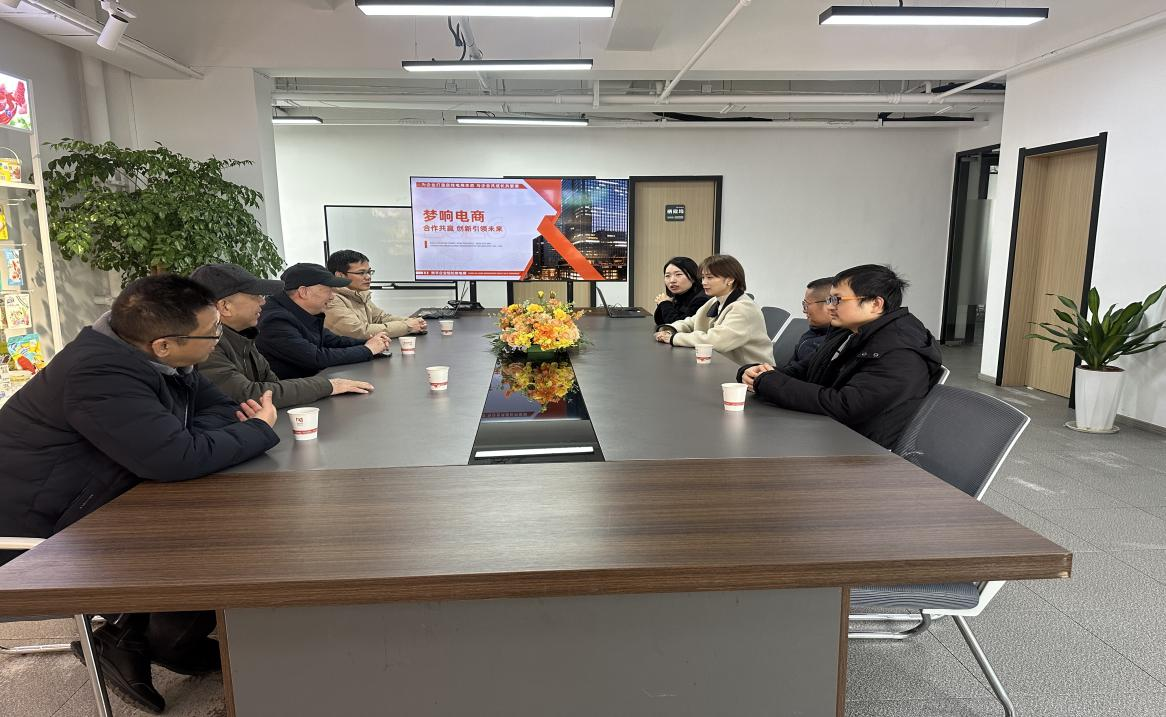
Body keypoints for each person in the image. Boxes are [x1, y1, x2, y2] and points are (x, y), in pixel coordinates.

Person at [0, 274, 281, 713]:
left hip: (100, 499)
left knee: (221, 513)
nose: (217, 340)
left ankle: (145, 636)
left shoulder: (153, 354)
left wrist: (195, 437)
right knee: (217, 534)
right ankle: (149, 639)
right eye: (212, 333)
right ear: (164, 345)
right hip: (40, 534)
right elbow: (176, 459)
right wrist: (259, 429)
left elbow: (217, 409)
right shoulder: (98, 374)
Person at [739, 264, 943, 450]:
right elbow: (808, 369)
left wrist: (770, 382)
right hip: (827, 431)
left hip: (859, 452)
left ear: (875, 304)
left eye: (837, 300)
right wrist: (758, 373)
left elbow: (846, 406)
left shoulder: (900, 352)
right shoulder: (851, 331)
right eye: (830, 299)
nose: (829, 306)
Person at [191, 263, 376, 408]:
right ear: (225, 307)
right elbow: (248, 394)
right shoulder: (204, 347)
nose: (263, 302)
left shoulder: (244, 336)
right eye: (256, 296)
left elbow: (272, 384)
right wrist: (328, 385)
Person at [256, 263, 392, 380]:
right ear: (303, 292)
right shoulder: (275, 321)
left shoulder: (299, 311)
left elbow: (332, 341)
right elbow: (316, 358)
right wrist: (367, 350)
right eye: (328, 290)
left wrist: (369, 342)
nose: (332, 297)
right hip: (289, 398)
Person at [653, 254, 774, 366]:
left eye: (710, 277)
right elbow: (691, 322)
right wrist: (670, 329)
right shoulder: (716, 300)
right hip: (726, 365)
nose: (704, 282)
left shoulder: (743, 308)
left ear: (730, 279)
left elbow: (716, 340)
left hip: (752, 372)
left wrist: (674, 338)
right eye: (703, 277)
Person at [324, 249, 427, 339]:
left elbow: (380, 318)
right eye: (361, 273)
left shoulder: (359, 295)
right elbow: (360, 332)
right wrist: (407, 326)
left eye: (369, 272)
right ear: (340, 275)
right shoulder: (331, 299)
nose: (368, 277)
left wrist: (412, 321)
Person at [787, 276, 836, 366]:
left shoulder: (836, 344)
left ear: (829, 304)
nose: (804, 310)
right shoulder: (811, 333)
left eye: (807, 305)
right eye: (804, 304)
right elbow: (790, 369)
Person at [652, 256, 709, 325]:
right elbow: (660, 321)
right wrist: (664, 304)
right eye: (667, 276)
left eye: (678, 274)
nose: (672, 280)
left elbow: (679, 325)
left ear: (693, 277)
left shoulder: (701, 300)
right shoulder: (679, 295)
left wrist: (665, 304)